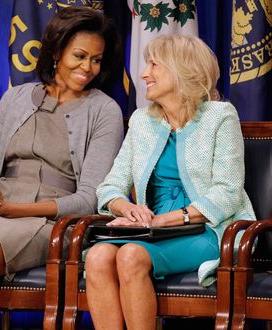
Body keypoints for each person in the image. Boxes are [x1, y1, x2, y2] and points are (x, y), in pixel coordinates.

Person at [0, 6, 123, 329]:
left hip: (54, 221)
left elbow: (88, 200)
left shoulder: (104, 111)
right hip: (1, 208)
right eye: (79, 56)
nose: (88, 67)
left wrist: (11, 210)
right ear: (56, 51)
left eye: (96, 59)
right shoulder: (16, 98)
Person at [85, 35, 256, 330]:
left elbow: (227, 193)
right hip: (151, 230)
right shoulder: (141, 120)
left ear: (182, 70)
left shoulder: (220, 116)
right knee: (98, 256)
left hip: (210, 229)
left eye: (154, 65)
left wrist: (164, 221)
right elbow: (110, 185)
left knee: (130, 256)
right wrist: (126, 208)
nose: (143, 74)